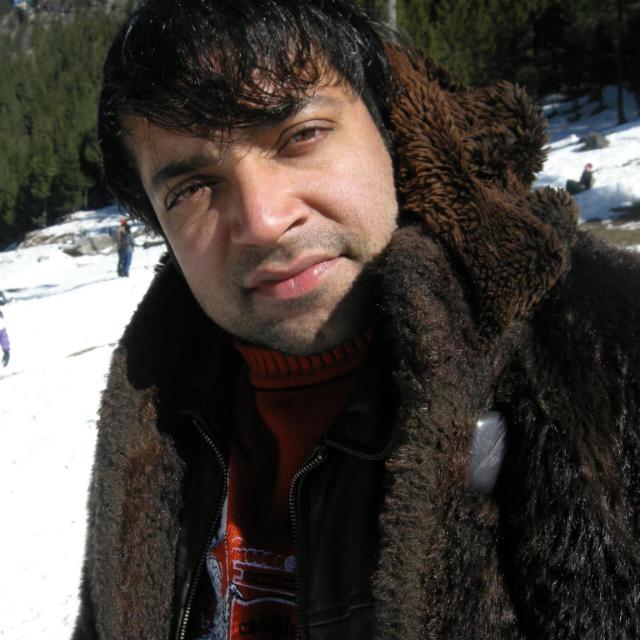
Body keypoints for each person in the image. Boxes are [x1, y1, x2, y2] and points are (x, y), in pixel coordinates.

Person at [73, 1, 640, 638]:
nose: (263, 220)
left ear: (387, 127)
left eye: (301, 136)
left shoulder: (606, 356)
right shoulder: (153, 420)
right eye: (193, 189)